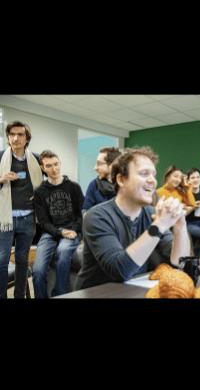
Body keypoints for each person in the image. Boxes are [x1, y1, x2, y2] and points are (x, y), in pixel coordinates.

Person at [75, 147, 191, 290]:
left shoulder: (150, 214)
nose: (152, 181)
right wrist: (159, 224)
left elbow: (180, 262)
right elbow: (120, 270)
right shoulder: (97, 216)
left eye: (153, 175)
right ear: (121, 179)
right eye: (144, 174)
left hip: (133, 291)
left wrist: (180, 225)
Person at [32, 151, 84, 297]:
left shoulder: (74, 187)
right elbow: (43, 222)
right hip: (50, 233)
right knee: (38, 270)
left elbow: (80, 215)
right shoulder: (40, 192)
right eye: (49, 166)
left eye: (56, 164)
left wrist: (73, 230)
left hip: (72, 231)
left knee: (63, 252)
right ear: (43, 168)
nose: (54, 169)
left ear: (60, 163)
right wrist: (60, 232)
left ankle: (61, 294)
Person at [0, 121, 42, 299]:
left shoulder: (36, 159)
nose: (15, 138)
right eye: (11, 134)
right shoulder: (0, 157)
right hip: (5, 220)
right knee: (1, 261)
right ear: (8, 137)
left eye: (20, 134)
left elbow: (51, 178)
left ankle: (19, 296)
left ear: (27, 139)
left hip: (28, 219)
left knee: (22, 261)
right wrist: (1, 179)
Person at [83, 146, 121, 212]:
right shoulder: (94, 185)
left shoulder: (125, 186)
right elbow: (86, 211)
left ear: (112, 165)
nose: (95, 168)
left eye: (99, 164)